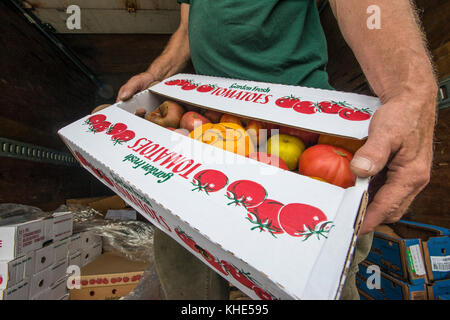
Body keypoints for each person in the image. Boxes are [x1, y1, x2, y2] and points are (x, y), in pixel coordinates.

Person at [116, 0, 438, 300]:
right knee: (183, 259)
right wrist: (154, 75)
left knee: (317, 270)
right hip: (212, 112)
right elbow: (187, 30)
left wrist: (408, 93)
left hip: (300, 115)